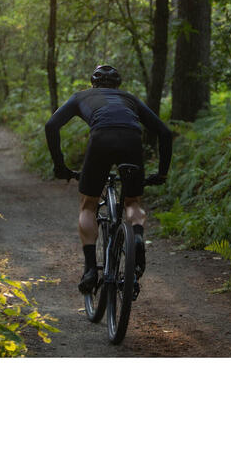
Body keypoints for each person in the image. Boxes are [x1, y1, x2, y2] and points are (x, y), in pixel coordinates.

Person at [44, 64, 173, 294]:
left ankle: (91, 269)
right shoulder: (129, 99)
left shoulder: (80, 97)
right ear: (118, 85)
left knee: (88, 205)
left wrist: (60, 166)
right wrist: (162, 172)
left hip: (101, 139)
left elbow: (51, 125)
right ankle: (137, 239)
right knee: (132, 202)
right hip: (132, 139)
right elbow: (164, 132)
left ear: (92, 83)